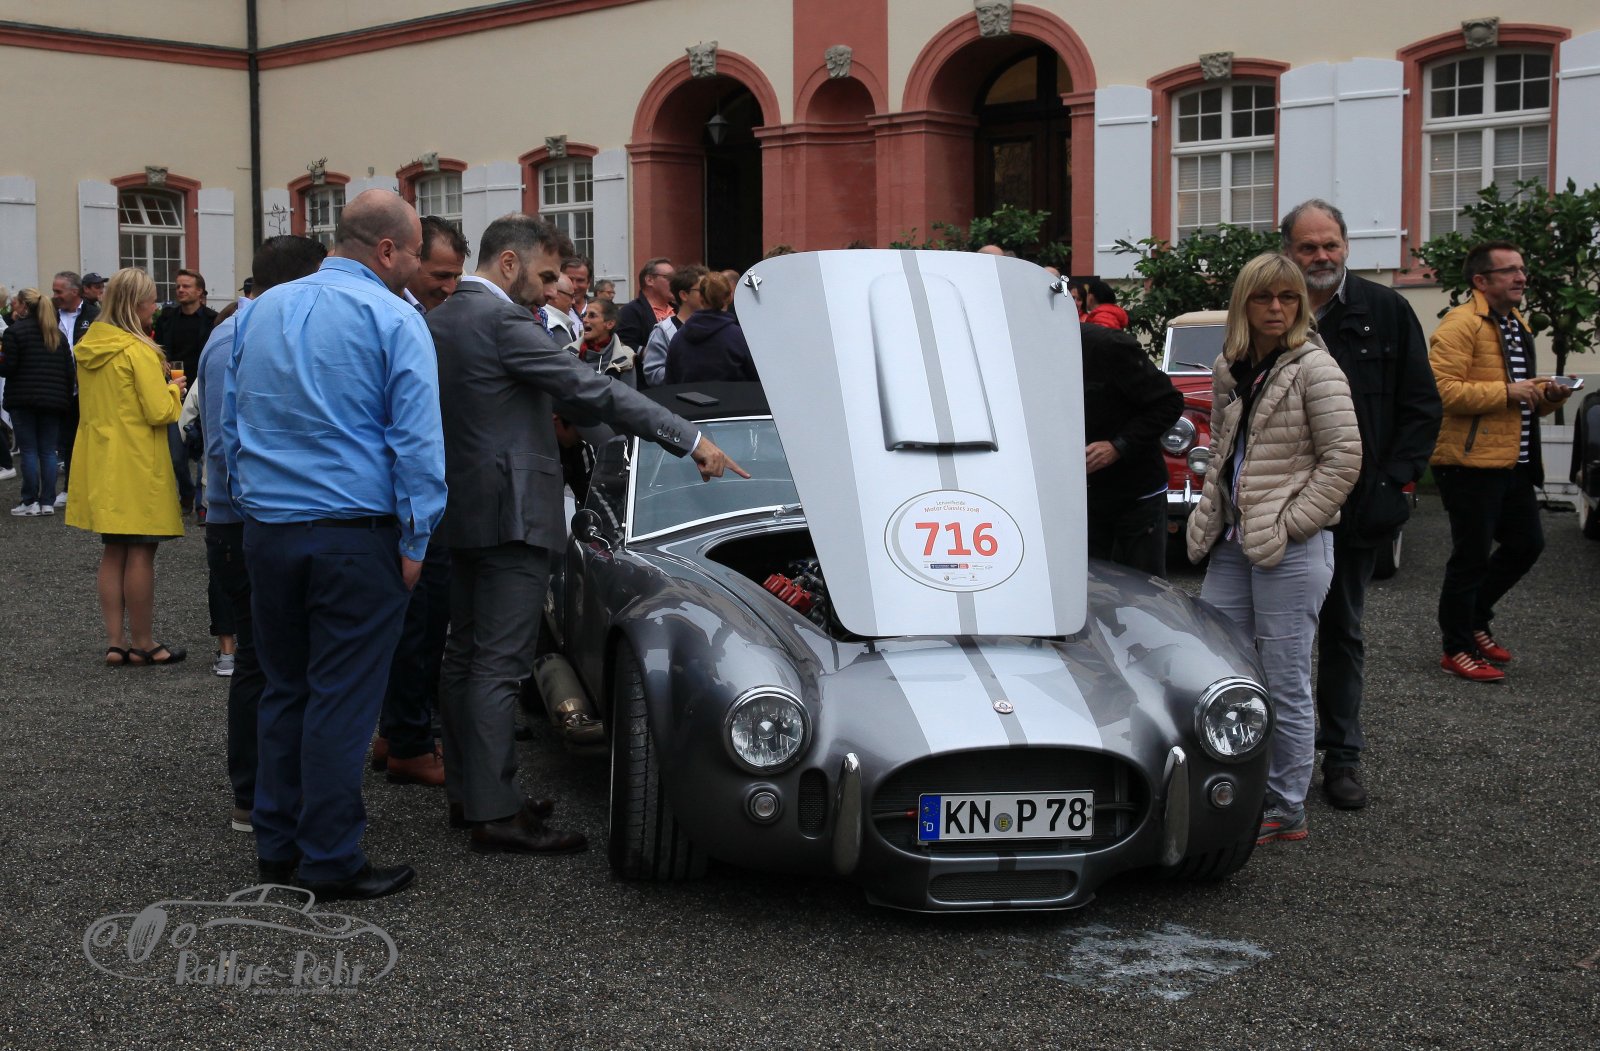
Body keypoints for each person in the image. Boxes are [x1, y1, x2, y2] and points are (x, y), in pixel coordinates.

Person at [425, 212, 746, 855]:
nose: (553, 290)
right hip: (514, 514)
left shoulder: (441, 318)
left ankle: (473, 794)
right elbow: (592, 391)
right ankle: (495, 812)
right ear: (509, 262)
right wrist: (688, 438)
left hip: (461, 510)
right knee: (499, 664)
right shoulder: (503, 322)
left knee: (464, 657)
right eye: (546, 276)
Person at [223, 188, 447, 900]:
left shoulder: (258, 311)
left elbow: (231, 426)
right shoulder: (395, 317)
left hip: (270, 530)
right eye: (415, 253)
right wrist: (417, 537)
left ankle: (276, 844)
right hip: (354, 534)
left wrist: (253, 504)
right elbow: (416, 443)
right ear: (386, 249)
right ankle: (329, 856)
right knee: (342, 699)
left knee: (283, 688)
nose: (418, 266)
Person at [1185, 253, 1361, 847]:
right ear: (1244, 303)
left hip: (1292, 545)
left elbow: (1343, 459)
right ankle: (1233, 787)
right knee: (1220, 666)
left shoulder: (1316, 367)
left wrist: (1291, 524)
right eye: (1264, 297)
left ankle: (1286, 804)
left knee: (1284, 677)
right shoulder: (1230, 366)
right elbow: (1222, 450)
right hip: (1235, 539)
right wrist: (1214, 512)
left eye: (1288, 297)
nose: (1277, 308)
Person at [1281, 199, 1441, 808]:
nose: (1321, 256)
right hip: (1280, 504)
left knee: (1342, 630)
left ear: (1346, 245)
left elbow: (1421, 407)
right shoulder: (1271, 309)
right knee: (1272, 634)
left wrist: (1394, 485)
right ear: (1288, 251)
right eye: (1308, 247)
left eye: (1331, 244)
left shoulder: (1386, 311)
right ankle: (1267, 755)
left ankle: (1341, 759)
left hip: (1356, 505)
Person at [198, 234, 328, 832]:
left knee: (273, 658)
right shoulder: (239, 335)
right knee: (260, 660)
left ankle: (272, 788)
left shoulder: (251, 328)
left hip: (254, 516)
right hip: (244, 520)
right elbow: (226, 446)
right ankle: (253, 794)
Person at [1429, 241, 1571, 683]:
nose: (1521, 278)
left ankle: (1474, 618)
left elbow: (1522, 396)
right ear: (1481, 280)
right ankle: (1457, 647)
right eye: (1509, 271)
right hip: (1469, 463)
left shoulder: (1515, 323)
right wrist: (1509, 392)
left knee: (1527, 544)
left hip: (1513, 461)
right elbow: (1441, 391)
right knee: (1470, 559)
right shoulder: (1460, 324)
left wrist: (1549, 396)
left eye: (1522, 269)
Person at [369, 216, 470, 789]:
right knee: (418, 624)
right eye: (440, 274)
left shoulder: (417, 313)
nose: (449, 287)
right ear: (408, 260)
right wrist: (416, 527)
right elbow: (410, 430)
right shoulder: (402, 319)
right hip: (411, 502)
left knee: (420, 624)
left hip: (414, 497)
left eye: (456, 276)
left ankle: (396, 730)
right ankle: (408, 741)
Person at [64, 268, 189, 667]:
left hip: (102, 459)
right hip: (137, 461)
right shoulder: (137, 350)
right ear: (136, 305)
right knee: (140, 552)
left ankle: (115, 642)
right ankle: (144, 642)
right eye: (151, 301)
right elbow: (158, 412)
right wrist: (174, 391)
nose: (156, 308)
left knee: (113, 550)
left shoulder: (89, 346)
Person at [1081, 322, 1183, 577]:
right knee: (1088, 589)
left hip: (1136, 495)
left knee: (1143, 589)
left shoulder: (1108, 346)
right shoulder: (1021, 353)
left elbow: (1169, 403)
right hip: (1080, 499)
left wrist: (1119, 446)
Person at [2, 289, 76, 516]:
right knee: (48, 451)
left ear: (25, 306)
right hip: (53, 401)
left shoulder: (15, 332)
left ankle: (30, 501)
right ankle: (47, 501)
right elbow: (69, 371)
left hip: (23, 399)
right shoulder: (57, 335)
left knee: (29, 451)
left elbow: (8, 368)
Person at [154, 269, 217, 514]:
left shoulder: (212, 320)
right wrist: (161, 360)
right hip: (173, 390)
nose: (180, 290)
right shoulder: (167, 319)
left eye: (186, 286)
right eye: (178, 286)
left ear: (200, 291)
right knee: (176, 455)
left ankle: (203, 503)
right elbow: (158, 348)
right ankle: (187, 491)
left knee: (205, 452)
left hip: (202, 389)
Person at [50, 271, 99, 510]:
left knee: (92, 438)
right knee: (67, 441)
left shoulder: (94, 315)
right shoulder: (50, 314)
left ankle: (94, 488)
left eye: (58, 291)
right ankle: (69, 487)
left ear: (74, 291)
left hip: (88, 386)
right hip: (60, 386)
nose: (55, 295)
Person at [664, 271, 759, 384]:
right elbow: (757, 380)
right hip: (734, 395)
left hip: (688, 395)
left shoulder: (678, 337)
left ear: (701, 298)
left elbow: (670, 382)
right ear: (730, 297)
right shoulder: (740, 337)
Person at [642, 264, 707, 386]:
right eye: (702, 290)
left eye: (710, 290)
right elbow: (653, 375)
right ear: (684, 295)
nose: (708, 295)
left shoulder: (715, 326)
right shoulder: (663, 331)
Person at [615, 256, 674, 353]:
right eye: (669, 277)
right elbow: (624, 345)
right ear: (649, 280)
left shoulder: (679, 310)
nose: (675, 282)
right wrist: (650, 353)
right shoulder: (630, 312)